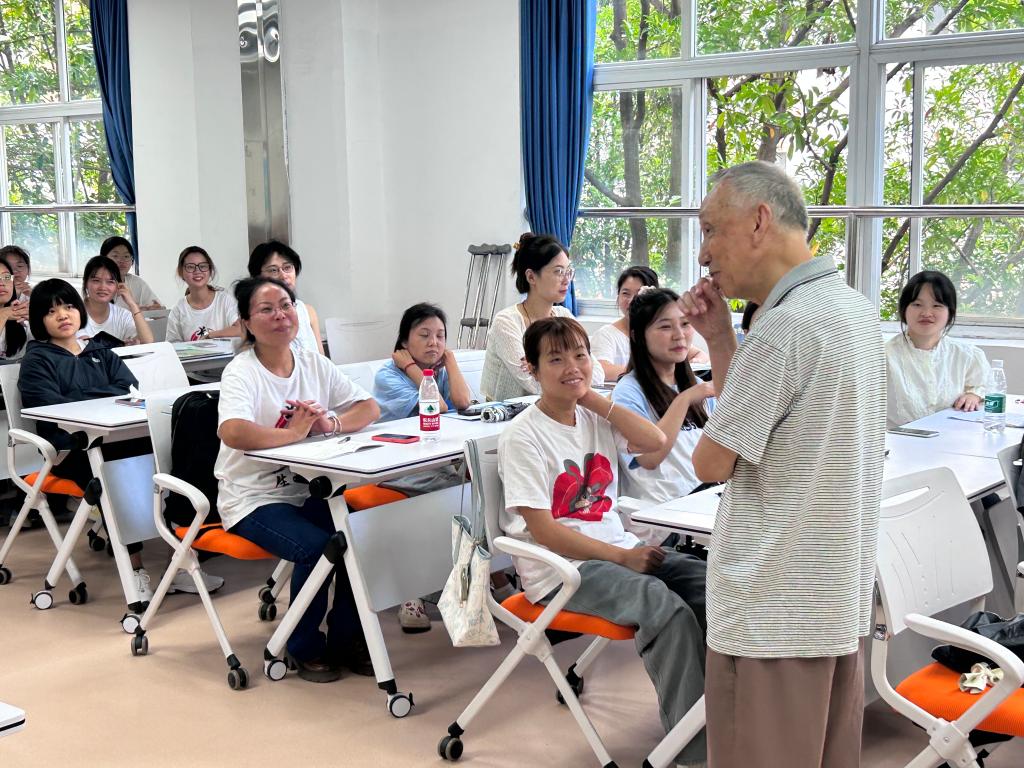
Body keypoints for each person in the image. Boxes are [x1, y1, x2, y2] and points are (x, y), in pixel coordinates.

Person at [680, 161, 884, 768]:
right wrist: (721, 339)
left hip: (771, 606)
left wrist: (732, 350)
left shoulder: (784, 327)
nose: (704, 254)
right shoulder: (852, 310)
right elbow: (759, 424)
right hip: (831, 599)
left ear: (759, 221)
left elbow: (712, 461)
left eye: (711, 230)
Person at [498, 315, 707, 767]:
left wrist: (591, 396)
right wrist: (623, 557)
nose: (573, 366)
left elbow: (654, 440)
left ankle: (717, 716)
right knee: (663, 607)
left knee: (713, 586)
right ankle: (693, 754)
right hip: (561, 570)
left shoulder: (593, 415)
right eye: (556, 359)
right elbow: (545, 532)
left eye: (581, 355)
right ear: (531, 368)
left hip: (618, 549)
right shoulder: (522, 436)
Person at [216, 276, 380, 682]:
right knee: (319, 548)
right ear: (246, 323)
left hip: (308, 489)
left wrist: (331, 423)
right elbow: (232, 431)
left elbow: (369, 407)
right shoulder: (242, 371)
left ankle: (346, 639)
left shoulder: (311, 362)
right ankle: (301, 645)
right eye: (266, 309)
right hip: (252, 498)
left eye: (286, 305)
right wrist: (292, 434)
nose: (280, 315)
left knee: (356, 539)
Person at [17, 280, 222, 602]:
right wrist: (102, 394)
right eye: (51, 311)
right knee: (117, 471)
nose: (63, 315)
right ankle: (135, 568)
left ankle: (182, 562)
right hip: (72, 450)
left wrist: (88, 395)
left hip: (119, 439)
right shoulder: (37, 360)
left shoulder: (100, 351)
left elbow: (128, 390)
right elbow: (52, 408)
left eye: (68, 306)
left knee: (175, 458)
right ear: (39, 320)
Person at [371, 302, 473, 633]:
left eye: (441, 336)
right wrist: (413, 368)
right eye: (424, 335)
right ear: (404, 342)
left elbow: (463, 402)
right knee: (451, 497)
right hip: (396, 469)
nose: (434, 343)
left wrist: (451, 361)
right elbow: (438, 407)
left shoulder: (441, 369)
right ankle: (412, 593)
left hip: (437, 462)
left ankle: (476, 581)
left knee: (482, 487)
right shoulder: (389, 375)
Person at [611, 288, 714, 538]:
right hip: (665, 524)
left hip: (706, 507)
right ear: (637, 336)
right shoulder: (628, 393)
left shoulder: (698, 387)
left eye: (685, 324)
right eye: (665, 327)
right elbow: (649, 458)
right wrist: (684, 399)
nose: (679, 335)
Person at [481, 233, 605, 401]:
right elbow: (533, 385)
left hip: (557, 408)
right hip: (509, 414)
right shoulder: (507, 322)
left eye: (568, 271)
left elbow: (597, 373)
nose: (566, 280)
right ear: (531, 277)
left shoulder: (563, 316)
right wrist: (573, 380)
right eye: (558, 272)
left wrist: (544, 370)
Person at [886, 270, 990, 428]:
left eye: (937, 305)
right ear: (903, 309)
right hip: (896, 441)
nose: (926, 313)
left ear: (950, 312)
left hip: (952, 439)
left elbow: (988, 386)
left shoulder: (967, 355)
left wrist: (974, 395)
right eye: (917, 305)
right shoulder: (883, 356)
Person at [247, 240, 324, 355]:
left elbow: (321, 358)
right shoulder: (254, 314)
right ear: (258, 277)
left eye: (287, 268)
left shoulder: (308, 311)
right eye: (273, 270)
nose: (283, 276)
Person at [591, 266, 659, 381]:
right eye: (625, 293)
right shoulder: (606, 334)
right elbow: (602, 370)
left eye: (639, 294)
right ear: (618, 297)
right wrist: (648, 372)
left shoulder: (660, 332)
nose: (631, 300)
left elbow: (692, 354)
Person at [165, 246, 240, 343]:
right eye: (190, 267)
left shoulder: (225, 300)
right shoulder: (178, 310)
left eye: (203, 266)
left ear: (210, 270)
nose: (197, 271)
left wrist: (210, 335)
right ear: (181, 272)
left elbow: (241, 329)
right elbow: (172, 345)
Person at [78, 255, 154, 345]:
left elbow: (147, 341)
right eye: (96, 280)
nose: (103, 287)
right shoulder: (74, 314)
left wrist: (132, 304)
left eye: (110, 282)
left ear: (118, 286)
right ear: (85, 282)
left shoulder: (122, 315)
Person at [102, 236, 163, 311]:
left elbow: (160, 310)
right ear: (103, 259)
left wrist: (153, 310)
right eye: (115, 256)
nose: (121, 260)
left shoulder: (137, 283)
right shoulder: (95, 284)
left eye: (126, 256)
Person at [0, 256, 29, 360]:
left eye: (7, 277)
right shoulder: (7, 314)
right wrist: (3, 314)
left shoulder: (17, 318)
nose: (1, 283)